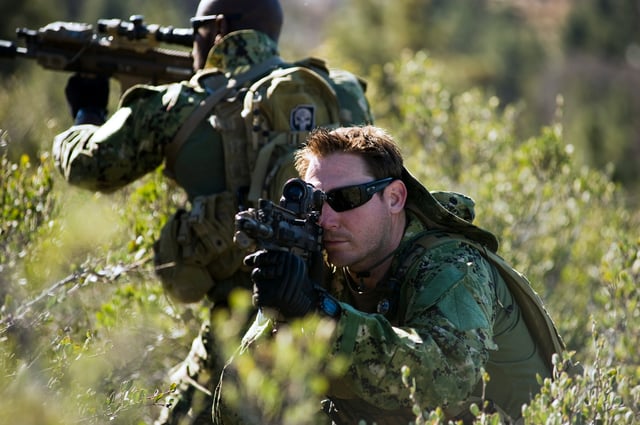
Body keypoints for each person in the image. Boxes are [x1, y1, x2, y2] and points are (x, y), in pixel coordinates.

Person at [51, 1, 373, 424]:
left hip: (241, 326)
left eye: (196, 29)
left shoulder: (179, 104)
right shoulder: (339, 91)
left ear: (217, 26)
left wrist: (87, 111)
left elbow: (89, 167)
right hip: (333, 318)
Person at [214, 125, 578, 424]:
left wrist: (318, 312)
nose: (327, 219)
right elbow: (236, 411)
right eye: (318, 203)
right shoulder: (330, 266)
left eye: (346, 199)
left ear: (394, 198)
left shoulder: (453, 266)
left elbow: (443, 383)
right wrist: (279, 314)